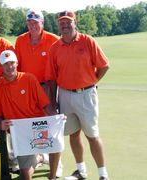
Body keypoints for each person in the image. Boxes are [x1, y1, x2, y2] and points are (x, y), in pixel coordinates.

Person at [46, 10, 110, 180]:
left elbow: (104, 65)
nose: (65, 25)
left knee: (92, 135)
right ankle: (81, 171)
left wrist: (92, 81)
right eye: (62, 23)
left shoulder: (87, 41)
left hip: (86, 94)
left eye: (68, 22)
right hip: (65, 95)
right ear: (58, 25)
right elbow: (51, 78)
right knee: (73, 134)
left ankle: (103, 174)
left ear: (75, 23)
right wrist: (53, 102)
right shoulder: (55, 48)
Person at [0, 50, 61, 180]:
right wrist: (0, 122)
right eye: (5, 64)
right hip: (19, 133)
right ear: (0, 66)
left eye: (12, 63)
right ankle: (40, 157)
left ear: (17, 63)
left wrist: (56, 118)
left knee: (56, 141)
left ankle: (52, 177)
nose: (9, 67)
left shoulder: (29, 78)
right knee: (25, 177)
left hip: (38, 127)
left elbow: (45, 105)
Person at [15, 9, 62, 177]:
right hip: (27, 88)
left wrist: (54, 92)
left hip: (48, 87)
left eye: (36, 22)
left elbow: (59, 66)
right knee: (29, 123)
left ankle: (56, 163)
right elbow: (17, 68)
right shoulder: (20, 40)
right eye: (30, 23)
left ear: (42, 23)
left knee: (50, 123)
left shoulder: (53, 40)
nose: (33, 26)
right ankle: (34, 156)